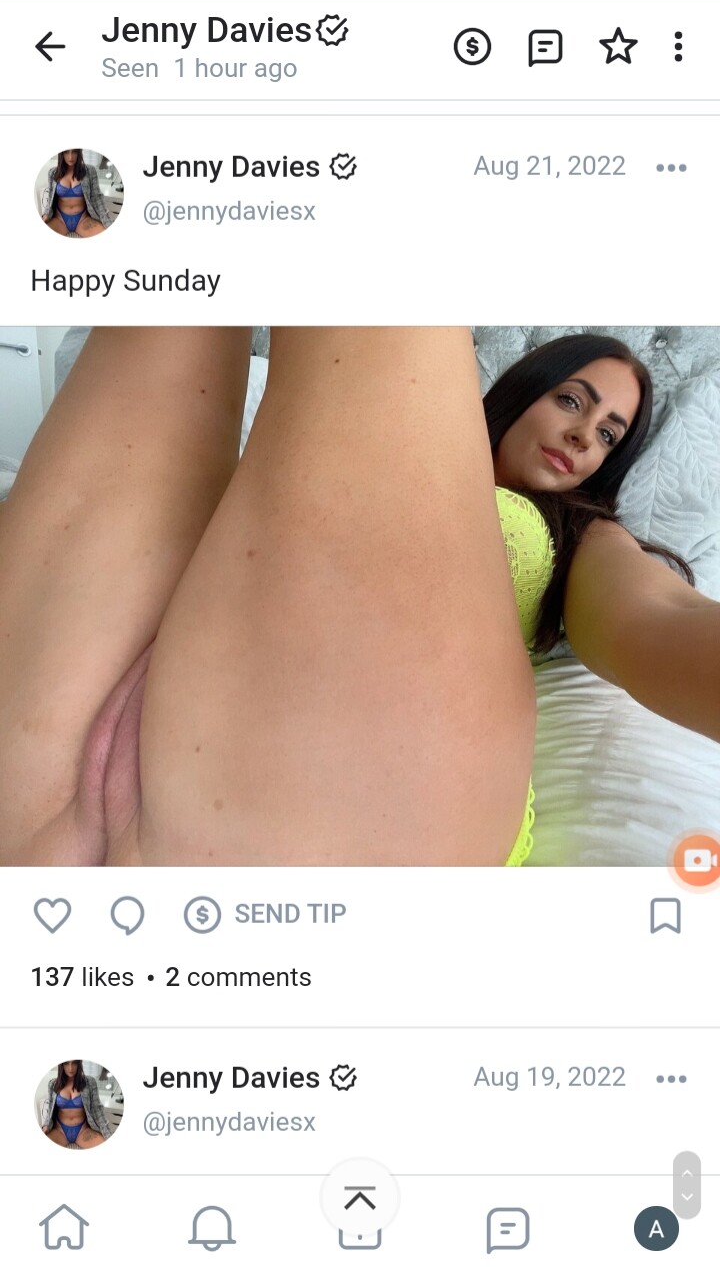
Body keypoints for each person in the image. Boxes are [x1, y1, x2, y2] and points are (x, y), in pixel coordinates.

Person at [0, 327, 717, 868]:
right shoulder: (312, 446)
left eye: (608, 435)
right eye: (571, 400)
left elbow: (658, 618)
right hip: (140, 644)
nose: (583, 436)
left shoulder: (585, 536)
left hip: (355, 787)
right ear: (524, 390)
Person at [42, 150, 111, 238]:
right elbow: (50, 198)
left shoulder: (90, 171)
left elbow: (97, 198)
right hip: (60, 220)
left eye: (74, 152)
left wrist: (107, 221)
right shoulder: (52, 172)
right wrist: (46, 214)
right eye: (66, 152)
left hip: (82, 219)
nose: (70, 157)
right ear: (61, 154)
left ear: (79, 153)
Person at [42, 1061, 111, 1148]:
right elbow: (50, 1109)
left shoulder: (90, 1082)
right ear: (61, 1065)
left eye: (74, 1063)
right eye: (66, 1063)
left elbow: (98, 1110)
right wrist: (46, 1125)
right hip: (60, 1131)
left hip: (82, 1131)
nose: (70, 1068)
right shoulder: (53, 1084)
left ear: (79, 1064)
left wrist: (107, 1133)